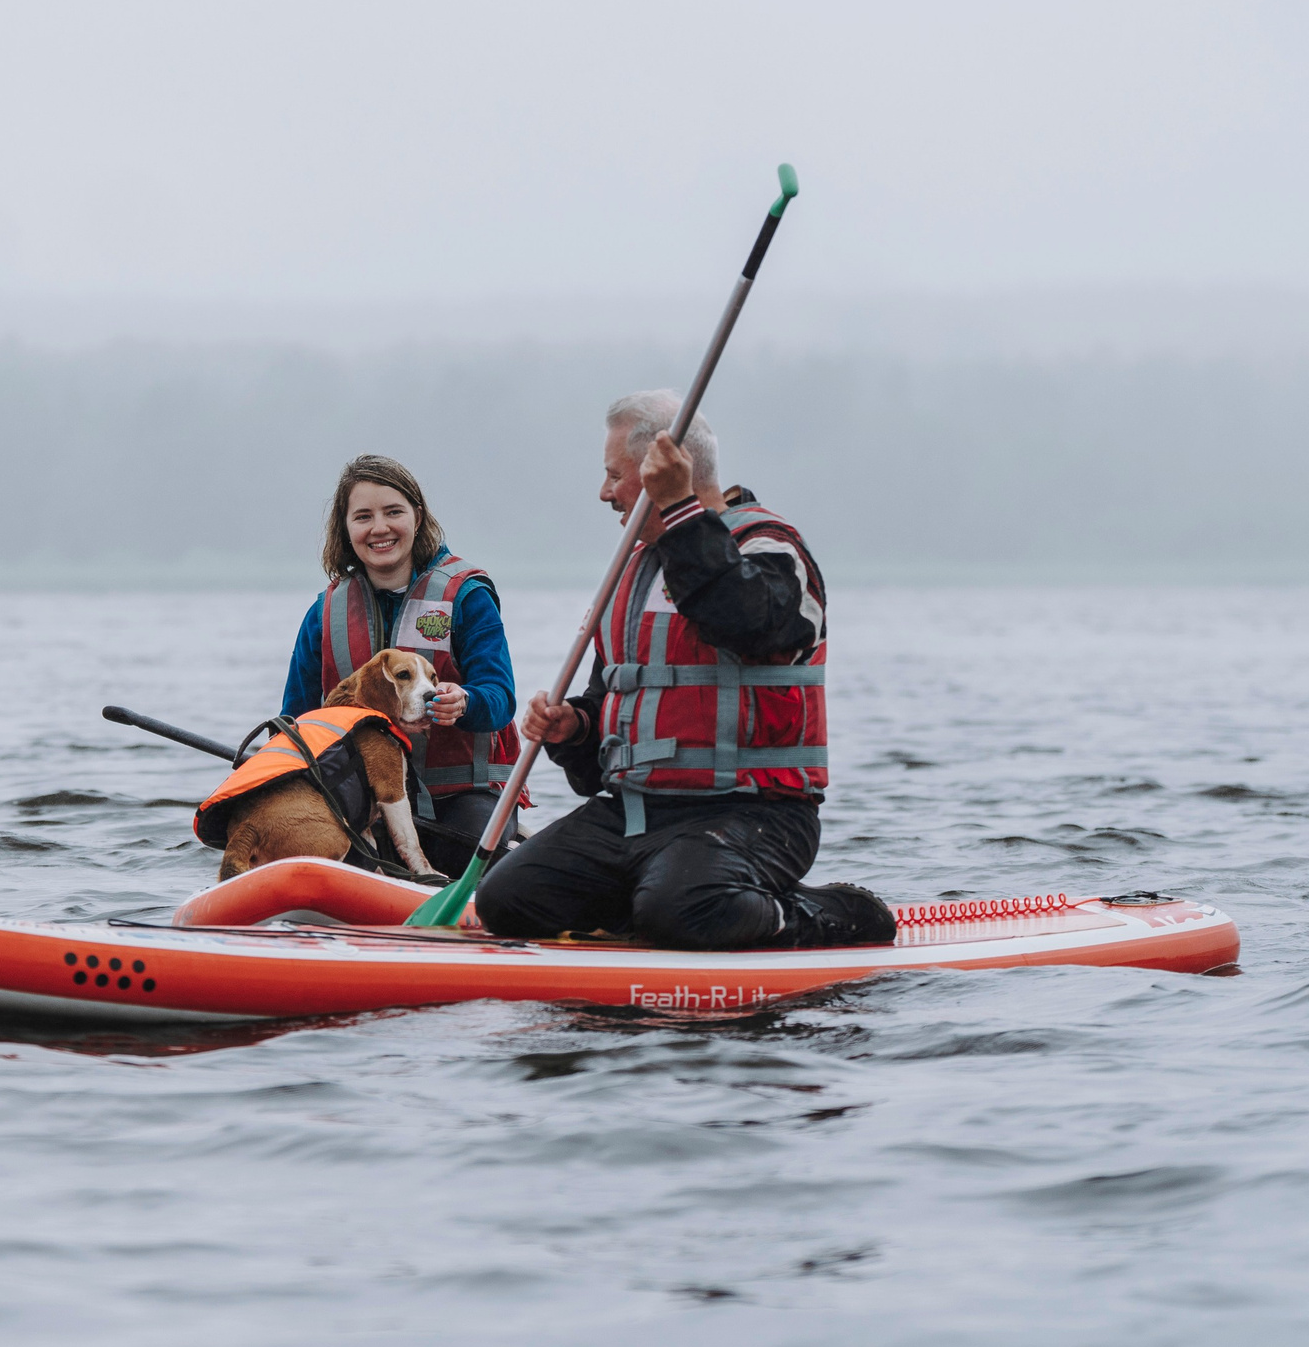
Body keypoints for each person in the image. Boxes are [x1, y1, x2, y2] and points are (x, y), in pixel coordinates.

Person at [474, 393, 894, 949]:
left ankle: (829, 913)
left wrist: (680, 510)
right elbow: (609, 715)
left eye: (615, 476)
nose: (604, 493)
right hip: (635, 814)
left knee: (683, 910)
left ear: (664, 473)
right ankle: (661, 903)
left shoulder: (771, 548)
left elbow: (746, 624)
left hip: (754, 813)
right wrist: (574, 727)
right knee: (506, 901)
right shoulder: (632, 571)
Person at [279, 454, 524, 875]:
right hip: (361, 797)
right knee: (330, 857)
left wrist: (465, 702)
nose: (380, 528)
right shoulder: (324, 613)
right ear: (346, 528)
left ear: (417, 517)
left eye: (393, 512)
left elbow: (500, 698)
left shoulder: (467, 597)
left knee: (467, 858)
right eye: (363, 517)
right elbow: (295, 720)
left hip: (460, 796)